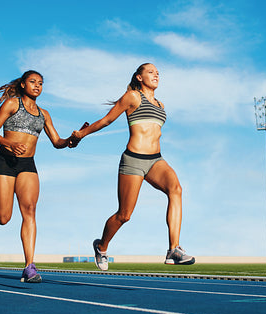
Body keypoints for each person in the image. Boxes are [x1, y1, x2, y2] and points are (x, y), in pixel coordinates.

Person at [69, 63, 195, 271]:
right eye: (150, 72)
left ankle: (173, 249)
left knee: (176, 190)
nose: (156, 75)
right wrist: (81, 134)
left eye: (158, 73)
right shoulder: (133, 97)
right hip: (133, 160)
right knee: (124, 215)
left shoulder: (160, 105)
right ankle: (101, 246)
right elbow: (107, 120)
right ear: (139, 77)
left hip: (156, 160)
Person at [0, 70, 81, 283]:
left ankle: (29, 266)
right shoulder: (12, 104)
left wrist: (71, 140)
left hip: (27, 165)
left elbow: (57, 142)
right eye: (33, 82)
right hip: (4, 162)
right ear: (22, 85)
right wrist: (10, 143)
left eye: (40, 83)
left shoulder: (44, 114)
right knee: (4, 218)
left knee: (29, 211)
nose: (37, 86)